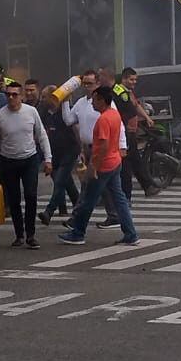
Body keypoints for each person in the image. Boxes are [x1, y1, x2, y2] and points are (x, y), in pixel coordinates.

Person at [57, 86, 138, 247]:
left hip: (104, 165)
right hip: (114, 162)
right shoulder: (114, 115)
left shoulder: (103, 119)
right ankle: (131, 234)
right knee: (119, 199)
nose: (92, 103)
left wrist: (93, 167)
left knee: (88, 200)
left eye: (94, 100)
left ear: (102, 100)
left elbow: (102, 145)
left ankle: (78, 233)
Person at [0, 81, 52, 250]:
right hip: (8, 161)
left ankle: (31, 235)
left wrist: (48, 159)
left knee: (31, 195)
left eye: (15, 94)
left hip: (29, 159)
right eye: (8, 94)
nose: (11, 98)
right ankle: (19, 234)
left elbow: (41, 135)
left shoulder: (31, 112)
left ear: (21, 96)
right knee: (14, 199)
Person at [66, 69, 126, 230]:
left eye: (90, 84)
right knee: (110, 191)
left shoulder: (106, 109)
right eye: (84, 84)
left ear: (98, 84)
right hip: (89, 148)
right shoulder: (81, 103)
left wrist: (122, 145)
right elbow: (69, 120)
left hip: (102, 152)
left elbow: (117, 128)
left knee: (91, 189)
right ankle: (123, 224)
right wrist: (65, 101)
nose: (86, 87)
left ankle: (77, 225)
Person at [107, 66, 158, 199]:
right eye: (131, 79)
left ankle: (147, 186)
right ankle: (135, 191)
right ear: (123, 79)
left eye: (135, 80)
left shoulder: (128, 92)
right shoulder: (119, 91)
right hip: (125, 133)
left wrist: (147, 118)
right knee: (128, 163)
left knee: (134, 161)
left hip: (130, 132)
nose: (134, 82)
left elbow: (136, 105)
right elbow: (129, 110)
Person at [38, 85, 80, 225]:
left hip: (69, 150)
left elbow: (76, 128)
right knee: (66, 182)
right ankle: (79, 207)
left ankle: (48, 212)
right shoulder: (44, 111)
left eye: (45, 97)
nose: (42, 100)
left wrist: (81, 152)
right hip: (54, 152)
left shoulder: (65, 110)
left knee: (60, 180)